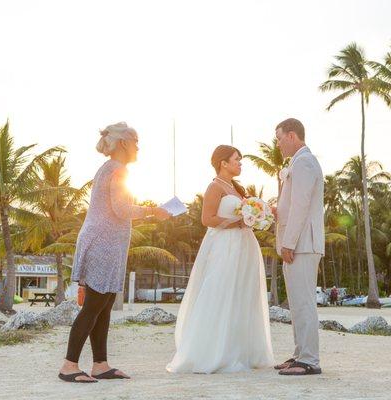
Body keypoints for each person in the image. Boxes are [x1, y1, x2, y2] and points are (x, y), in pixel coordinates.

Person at [58, 122, 170, 383]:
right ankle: (68, 366)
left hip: (106, 243)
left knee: (104, 306)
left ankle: (100, 364)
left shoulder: (111, 168)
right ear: (123, 143)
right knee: (94, 306)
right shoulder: (118, 170)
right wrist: (154, 211)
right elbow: (121, 209)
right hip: (103, 244)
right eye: (136, 142)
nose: (138, 148)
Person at [166, 145, 274, 374]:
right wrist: (238, 222)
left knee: (242, 295)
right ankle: (214, 352)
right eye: (237, 159)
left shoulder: (237, 188)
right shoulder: (214, 187)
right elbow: (207, 219)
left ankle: (242, 350)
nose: (240, 163)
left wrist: (255, 216)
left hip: (244, 245)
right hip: (225, 246)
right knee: (220, 292)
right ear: (223, 163)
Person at [273, 118, 325, 376]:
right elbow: (291, 205)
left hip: (302, 244)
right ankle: (299, 354)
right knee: (296, 302)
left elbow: (301, 205)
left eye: (279, 138)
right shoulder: (299, 162)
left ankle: (309, 360)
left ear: (292, 136)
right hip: (299, 243)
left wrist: (288, 242)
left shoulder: (304, 161)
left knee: (304, 303)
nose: (278, 144)